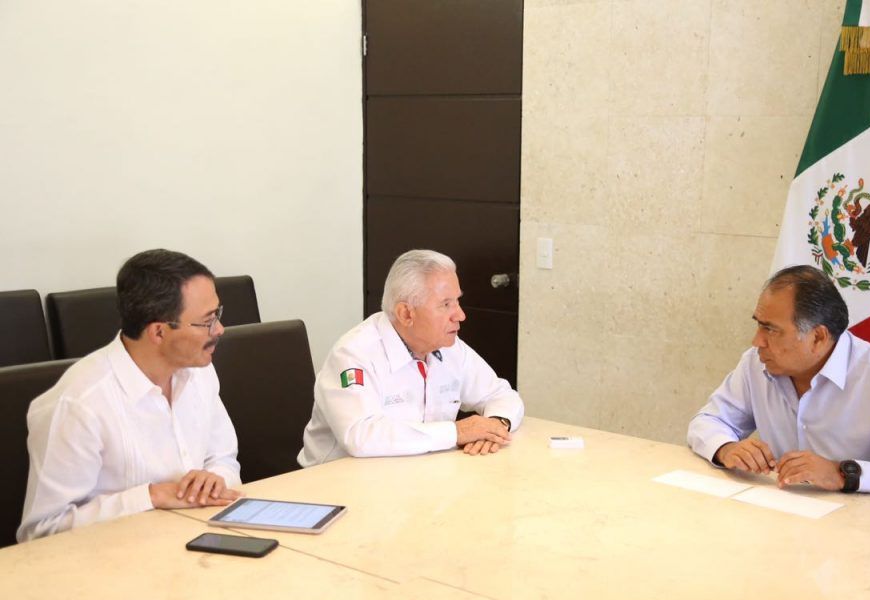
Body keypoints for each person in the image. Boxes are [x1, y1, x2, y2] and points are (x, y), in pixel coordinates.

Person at [18, 249, 242, 542]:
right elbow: (41, 531)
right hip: (109, 561)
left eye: (218, 315)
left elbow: (224, 457)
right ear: (159, 332)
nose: (220, 329)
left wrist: (214, 479)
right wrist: (149, 497)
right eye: (207, 321)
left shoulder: (198, 371)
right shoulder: (79, 404)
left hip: (196, 538)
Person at [687, 265, 870, 498]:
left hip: (867, 535)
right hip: (783, 519)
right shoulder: (755, 363)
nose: (757, 341)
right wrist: (727, 448)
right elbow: (707, 422)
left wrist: (843, 473)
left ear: (818, 338)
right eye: (759, 324)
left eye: (771, 330)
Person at [298, 249, 524, 465]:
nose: (460, 315)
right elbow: (360, 436)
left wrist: (496, 424)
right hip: (335, 485)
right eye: (446, 305)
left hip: (416, 477)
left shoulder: (449, 347)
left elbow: (500, 394)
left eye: (457, 301)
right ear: (406, 313)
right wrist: (457, 432)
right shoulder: (354, 354)